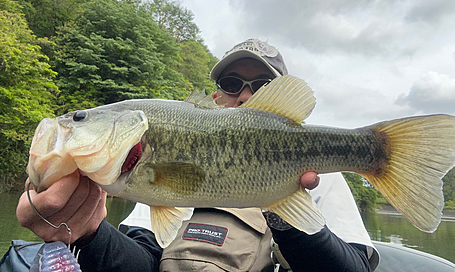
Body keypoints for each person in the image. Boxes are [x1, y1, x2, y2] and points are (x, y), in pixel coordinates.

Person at [16, 38, 377, 271]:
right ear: (217, 95)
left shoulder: (324, 177)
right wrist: (88, 232)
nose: (247, 96)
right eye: (233, 84)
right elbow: (144, 261)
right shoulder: (144, 170)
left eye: (264, 86)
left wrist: (286, 215)